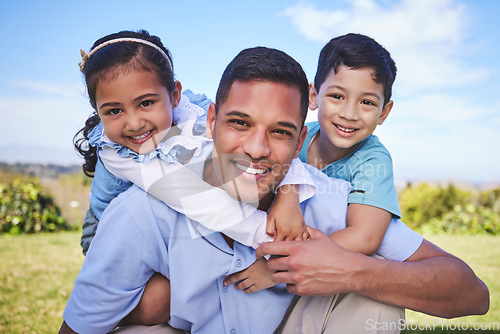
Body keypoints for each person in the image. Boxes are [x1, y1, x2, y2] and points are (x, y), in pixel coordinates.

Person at [59, 46, 488, 334]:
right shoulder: (143, 211)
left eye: (280, 132)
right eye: (240, 123)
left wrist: (348, 268)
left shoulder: (332, 201)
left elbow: (471, 292)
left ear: (301, 140)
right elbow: (79, 325)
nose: (257, 149)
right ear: (211, 122)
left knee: (373, 297)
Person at [74, 29, 312, 259]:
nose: (135, 123)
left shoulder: (194, 113)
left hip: (168, 225)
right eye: (114, 110)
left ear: (175, 95)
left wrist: (287, 196)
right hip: (107, 231)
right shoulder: (117, 154)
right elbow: (198, 200)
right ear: (98, 110)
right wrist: (270, 237)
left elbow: (281, 147)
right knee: (159, 292)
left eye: (146, 103)